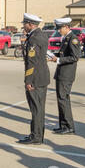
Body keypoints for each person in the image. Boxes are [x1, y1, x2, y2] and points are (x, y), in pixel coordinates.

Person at [18, 13, 50, 145]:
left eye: (24, 24)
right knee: (40, 108)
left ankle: (35, 136)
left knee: (36, 108)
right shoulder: (42, 35)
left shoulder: (33, 39)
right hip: (43, 76)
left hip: (35, 78)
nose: (23, 26)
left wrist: (28, 80)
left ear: (30, 24)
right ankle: (38, 135)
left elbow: (31, 61)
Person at [49, 18, 81, 135]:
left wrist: (58, 59)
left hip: (66, 74)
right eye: (57, 28)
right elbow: (63, 54)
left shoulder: (73, 39)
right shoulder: (66, 38)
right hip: (61, 73)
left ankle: (69, 126)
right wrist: (53, 55)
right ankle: (63, 125)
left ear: (67, 27)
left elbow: (75, 57)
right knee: (61, 100)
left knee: (64, 100)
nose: (58, 30)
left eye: (59, 28)